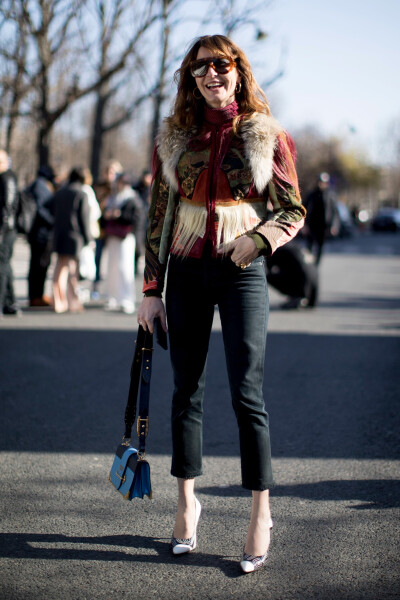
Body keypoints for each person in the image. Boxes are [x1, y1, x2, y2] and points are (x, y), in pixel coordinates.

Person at [137, 35, 305, 573]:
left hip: (242, 271)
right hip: (185, 269)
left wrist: (255, 241)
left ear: (238, 71)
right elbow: (159, 220)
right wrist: (149, 292)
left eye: (221, 64)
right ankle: (187, 501)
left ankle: (261, 511)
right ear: (191, 79)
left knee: (246, 394)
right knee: (185, 389)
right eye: (199, 68)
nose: (211, 74)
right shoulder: (174, 141)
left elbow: (293, 209)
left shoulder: (267, 136)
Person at [52, 167, 92, 313]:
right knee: (73, 270)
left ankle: (57, 301)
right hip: (74, 236)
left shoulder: (60, 192)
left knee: (59, 267)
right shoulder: (81, 194)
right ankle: (73, 301)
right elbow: (84, 219)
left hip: (59, 234)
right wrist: (88, 238)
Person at [102, 173, 141, 314]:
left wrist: (119, 215)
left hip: (126, 237)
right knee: (112, 268)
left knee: (125, 268)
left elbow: (135, 219)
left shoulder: (132, 198)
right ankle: (113, 297)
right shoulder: (113, 197)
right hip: (113, 236)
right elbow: (104, 216)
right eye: (121, 181)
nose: (123, 184)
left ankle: (127, 299)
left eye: (126, 182)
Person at [26, 165, 56, 307]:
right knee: (40, 265)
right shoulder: (41, 186)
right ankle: (36, 296)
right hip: (41, 233)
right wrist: (53, 221)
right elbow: (42, 209)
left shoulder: (37, 185)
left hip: (37, 232)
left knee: (38, 264)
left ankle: (37, 294)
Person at [93, 160, 123, 296]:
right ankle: (96, 284)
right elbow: (95, 205)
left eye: (114, 172)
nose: (111, 175)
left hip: (115, 229)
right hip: (101, 227)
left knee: (114, 260)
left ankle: (113, 289)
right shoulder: (99, 187)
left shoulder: (121, 187)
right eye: (109, 172)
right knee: (98, 257)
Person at [0, 149, 20, 317]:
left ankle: (6, 302)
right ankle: (10, 302)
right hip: (7, 229)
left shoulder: (6, 178)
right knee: (5, 264)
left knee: (2, 264)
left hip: (5, 230)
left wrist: (2, 229)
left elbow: (8, 206)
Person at [303, 172, 338, 265]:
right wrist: (304, 225)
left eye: (324, 182)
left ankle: (316, 264)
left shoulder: (331, 195)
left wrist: (334, 226)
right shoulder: (312, 195)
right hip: (312, 224)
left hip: (323, 226)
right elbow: (304, 209)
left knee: (320, 247)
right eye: (320, 182)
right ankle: (308, 263)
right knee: (309, 246)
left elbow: (335, 212)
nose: (322, 184)